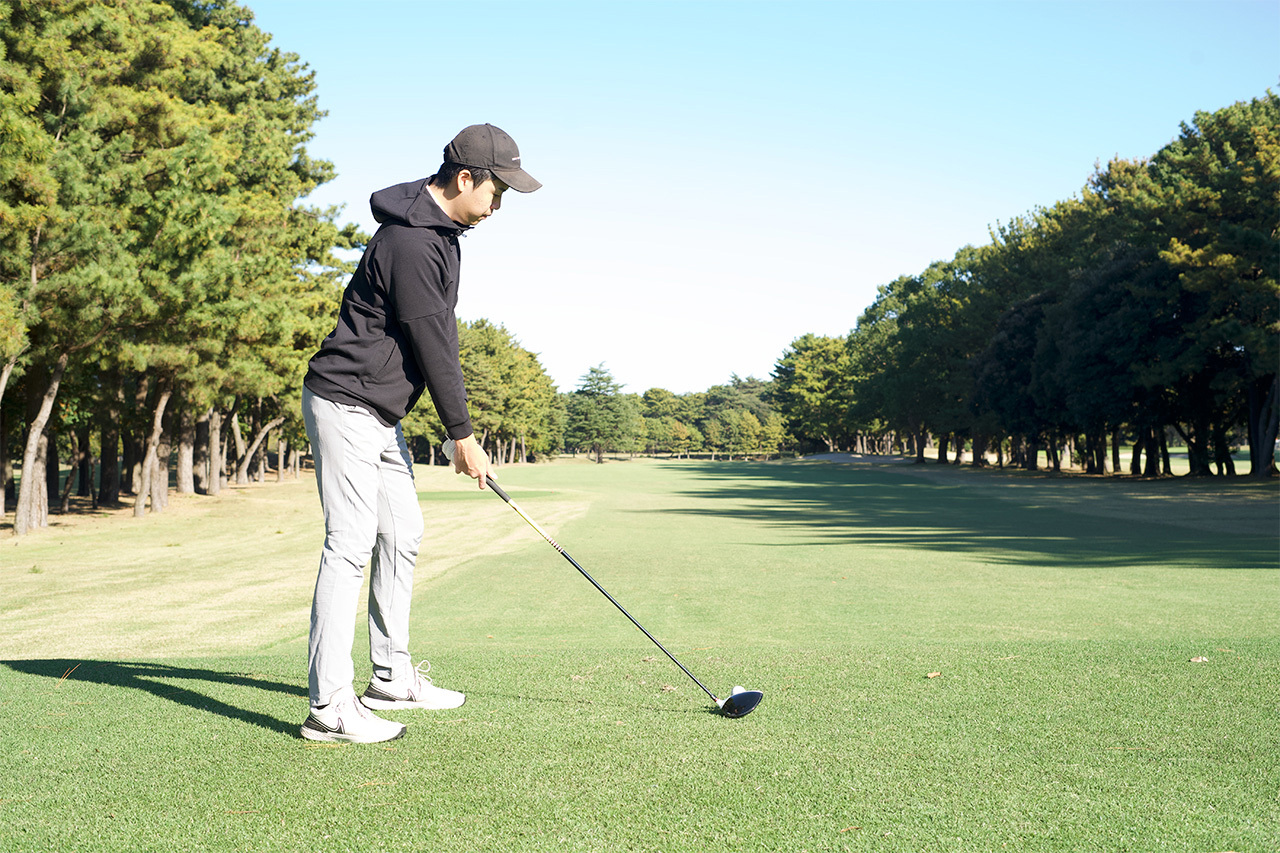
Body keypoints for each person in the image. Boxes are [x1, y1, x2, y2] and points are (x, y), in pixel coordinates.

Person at [297, 124, 541, 743]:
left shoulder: (442, 235)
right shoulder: (410, 242)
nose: (498, 206)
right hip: (346, 403)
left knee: (402, 531)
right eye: (497, 192)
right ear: (465, 179)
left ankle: (391, 676)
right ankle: (329, 708)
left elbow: (439, 337)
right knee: (349, 544)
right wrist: (462, 434)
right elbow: (434, 341)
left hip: (380, 413)